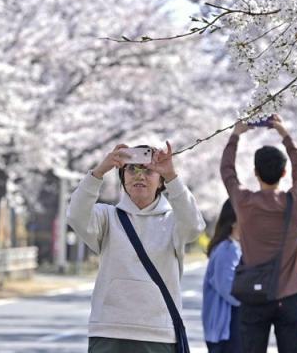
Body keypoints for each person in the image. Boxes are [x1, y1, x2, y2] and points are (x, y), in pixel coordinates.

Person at [68, 142, 206, 353]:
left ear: (160, 182)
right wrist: (99, 171)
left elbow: (195, 225)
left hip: (158, 331)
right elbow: (76, 215)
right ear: (123, 177)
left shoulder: (173, 221)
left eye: (148, 170)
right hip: (109, 330)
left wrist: (172, 176)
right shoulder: (107, 217)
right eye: (132, 169)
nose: (139, 176)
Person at [220, 114, 297, 353]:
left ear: (255, 172)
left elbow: (227, 171)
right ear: (283, 174)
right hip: (289, 295)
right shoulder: (294, 201)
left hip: (254, 296)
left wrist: (235, 135)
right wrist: (285, 134)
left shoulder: (244, 201)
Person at [203, 199, 242, 353]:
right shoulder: (226, 250)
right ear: (234, 221)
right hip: (225, 328)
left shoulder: (233, 247)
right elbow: (228, 289)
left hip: (228, 326)